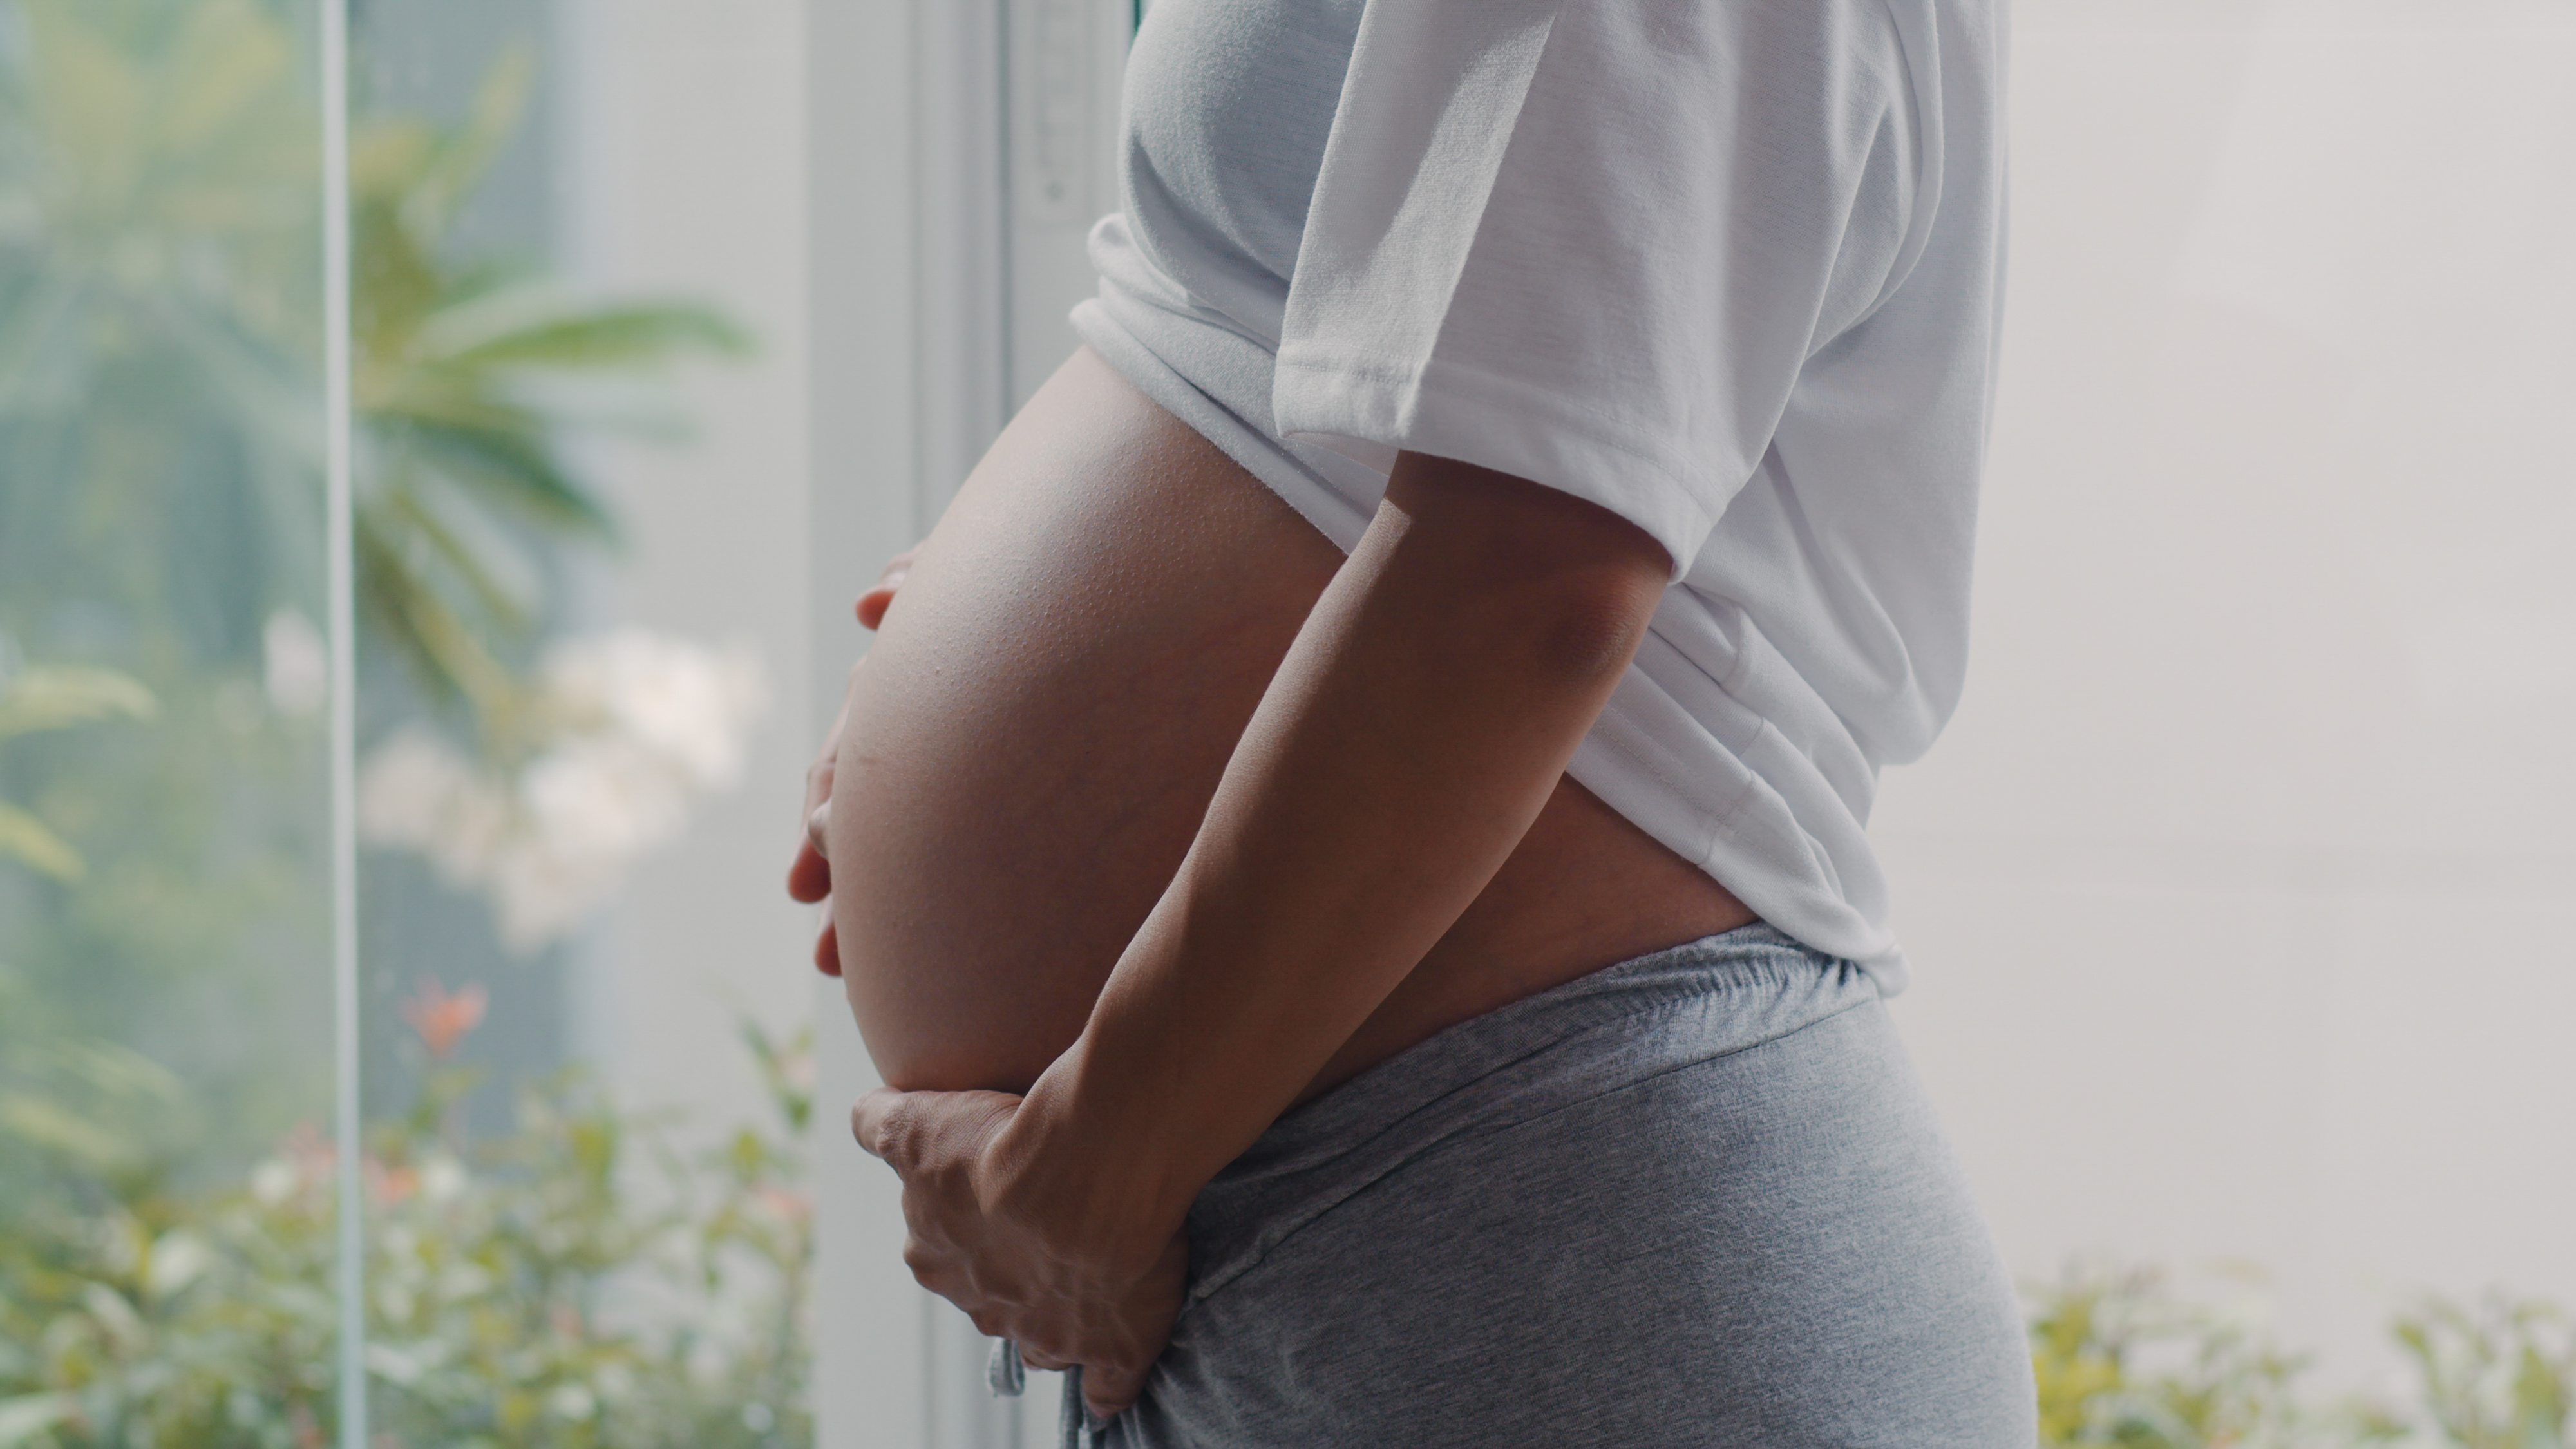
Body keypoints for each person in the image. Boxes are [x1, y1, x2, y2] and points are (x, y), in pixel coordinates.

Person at [790, 0, 2034, 1442]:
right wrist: (1011, 602)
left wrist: (1088, 1176)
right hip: (1407, 1239)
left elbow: (1529, 586)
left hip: (1551, 1253)